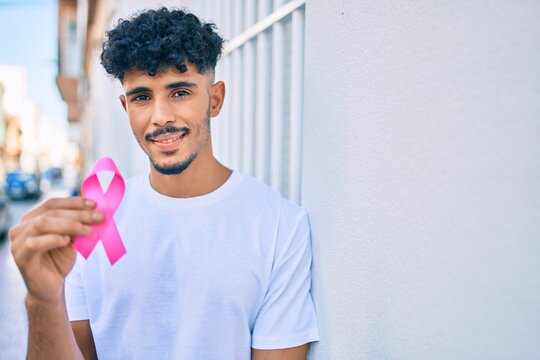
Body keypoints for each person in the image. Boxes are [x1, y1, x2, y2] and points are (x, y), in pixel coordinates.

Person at [9, 7, 319, 360]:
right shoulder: (96, 223)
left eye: (180, 92)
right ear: (126, 106)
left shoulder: (280, 226)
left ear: (215, 99)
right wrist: (41, 299)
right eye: (142, 97)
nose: (160, 117)